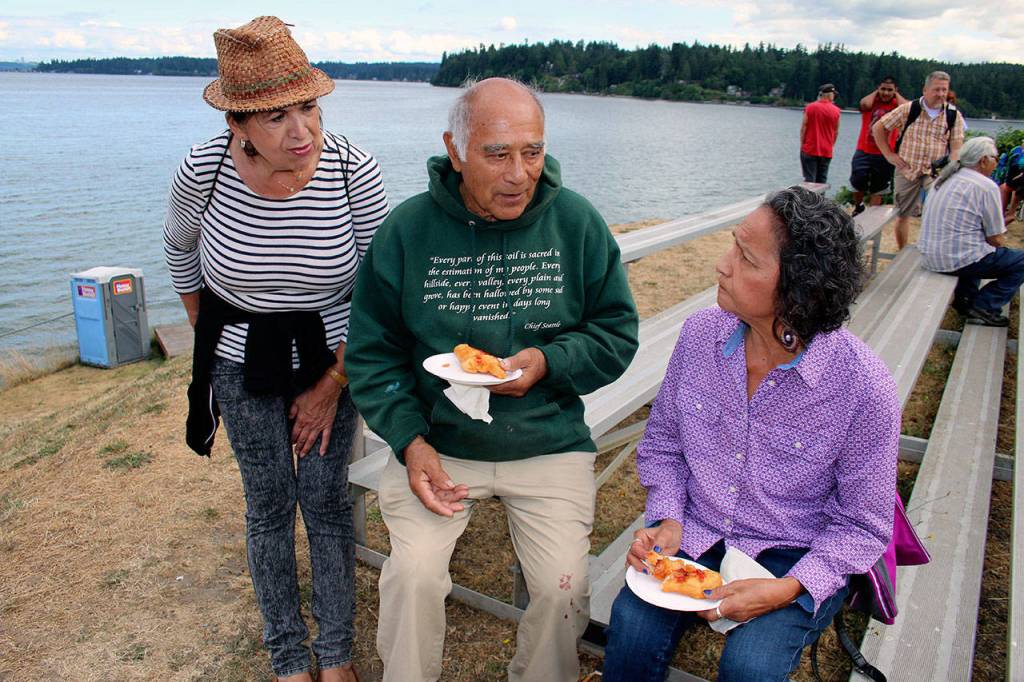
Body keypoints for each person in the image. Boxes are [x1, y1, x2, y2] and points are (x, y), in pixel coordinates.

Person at [344, 77, 639, 682]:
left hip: (547, 442)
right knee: (414, 574)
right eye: (497, 154)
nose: (519, 173)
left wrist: (550, 362)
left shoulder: (577, 222)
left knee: (562, 591)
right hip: (438, 446)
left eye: (532, 152)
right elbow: (373, 355)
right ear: (455, 150)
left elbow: (616, 333)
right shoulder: (407, 230)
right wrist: (410, 441)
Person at [162, 16, 388, 682]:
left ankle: (336, 652)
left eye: (309, 108)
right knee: (268, 505)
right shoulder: (203, 169)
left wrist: (329, 386)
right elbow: (179, 250)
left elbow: (380, 284)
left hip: (333, 355)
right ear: (238, 125)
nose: (302, 133)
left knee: (324, 501)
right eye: (275, 117)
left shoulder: (352, 167)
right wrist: (213, 330)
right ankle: (288, 657)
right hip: (241, 361)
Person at [601, 186, 900, 681]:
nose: (722, 264)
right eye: (732, 245)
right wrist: (669, 519)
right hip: (699, 530)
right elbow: (665, 447)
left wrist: (790, 588)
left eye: (745, 257)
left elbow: (863, 525)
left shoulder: (863, 388)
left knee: (750, 668)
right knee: (631, 631)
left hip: (795, 552)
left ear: (797, 291)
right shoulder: (701, 336)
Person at [918, 136, 1024, 327]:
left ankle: (964, 299)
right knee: (1015, 259)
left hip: (930, 256)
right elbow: (996, 239)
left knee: (972, 247)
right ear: (983, 160)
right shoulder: (986, 186)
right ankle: (984, 305)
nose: (997, 163)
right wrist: (1003, 224)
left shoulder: (942, 180)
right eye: (995, 158)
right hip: (954, 260)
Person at [873, 70, 965, 250]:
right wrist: (889, 155)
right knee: (902, 214)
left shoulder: (953, 115)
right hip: (906, 168)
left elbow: (956, 148)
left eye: (944, 90)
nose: (941, 94)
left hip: (936, 172)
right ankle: (902, 252)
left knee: (939, 211)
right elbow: (878, 127)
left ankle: (932, 249)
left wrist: (952, 171)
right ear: (925, 89)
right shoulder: (909, 109)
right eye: (937, 90)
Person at [849, 76, 908, 215]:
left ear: (895, 91)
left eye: (889, 90)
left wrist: (896, 94)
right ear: (878, 88)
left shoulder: (897, 105)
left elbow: (907, 108)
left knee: (879, 187)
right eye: (883, 89)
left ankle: (872, 214)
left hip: (885, 152)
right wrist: (876, 93)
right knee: (857, 181)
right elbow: (864, 104)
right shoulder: (872, 102)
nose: (886, 93)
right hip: (864, 149)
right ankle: (859, 206)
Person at [799, 83, 842, 184]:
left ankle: (809, 200)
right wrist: (831, 145)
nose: (834, 96)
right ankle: (820, 199)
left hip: (810, 148)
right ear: (828, 95)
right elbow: (836, 131)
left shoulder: (810, 107)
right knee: (821, 182)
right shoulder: (836, 111)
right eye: (833, 94)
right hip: (826, 151)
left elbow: (803, 127)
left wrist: (802, 145)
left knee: (809, 181)